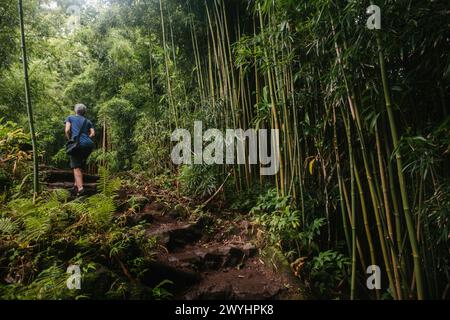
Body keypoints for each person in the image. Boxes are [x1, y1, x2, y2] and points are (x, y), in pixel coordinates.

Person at [64, 103, 95, 196]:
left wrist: (70, 139)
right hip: (89, 145)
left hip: (77, 145)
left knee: (76, 167)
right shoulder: (88, 121)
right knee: (79, 164)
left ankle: (81, 190)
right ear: (84, 112)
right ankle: (75, 185)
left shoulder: (70, 118)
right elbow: (93, 133)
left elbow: (67, 130)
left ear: (75, 110)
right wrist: (86, 138)